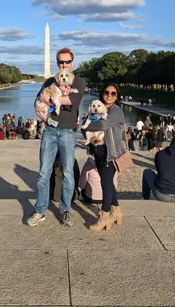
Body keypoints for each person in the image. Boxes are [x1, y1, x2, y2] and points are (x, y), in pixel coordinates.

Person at [26, 47, 85, 227]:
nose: (64, 65)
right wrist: (50, 101)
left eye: (67, 62)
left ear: (72, 63)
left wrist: (51, 98)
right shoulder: (49, 81)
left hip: (68, 131)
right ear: (57, 62)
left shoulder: (79, 81)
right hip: (50, 131)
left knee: (67, 172)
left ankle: (65, 209)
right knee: (44, 172)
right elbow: (37, 103)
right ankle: (40, 210)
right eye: (61, 62)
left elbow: (71, 101)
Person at [83, 83, 125, 231]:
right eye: (107, 92)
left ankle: (104, 217)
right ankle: (117, 212)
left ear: (117, 96)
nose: (109, 95)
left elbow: (102, 125)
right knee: (107, 183)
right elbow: (84, 129)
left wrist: (87, 125)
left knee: (106, 185)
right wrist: (86, 127)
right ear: (102, 93)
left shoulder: (116, 111)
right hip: (99, 152)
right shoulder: (98, 108)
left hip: (110, 154)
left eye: (113, 93)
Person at [142, 135, 175, 203]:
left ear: (171, 143)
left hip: (162, 195)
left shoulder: (159, 154)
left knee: (147, 171)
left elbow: (159, 170)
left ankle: (145, 198)